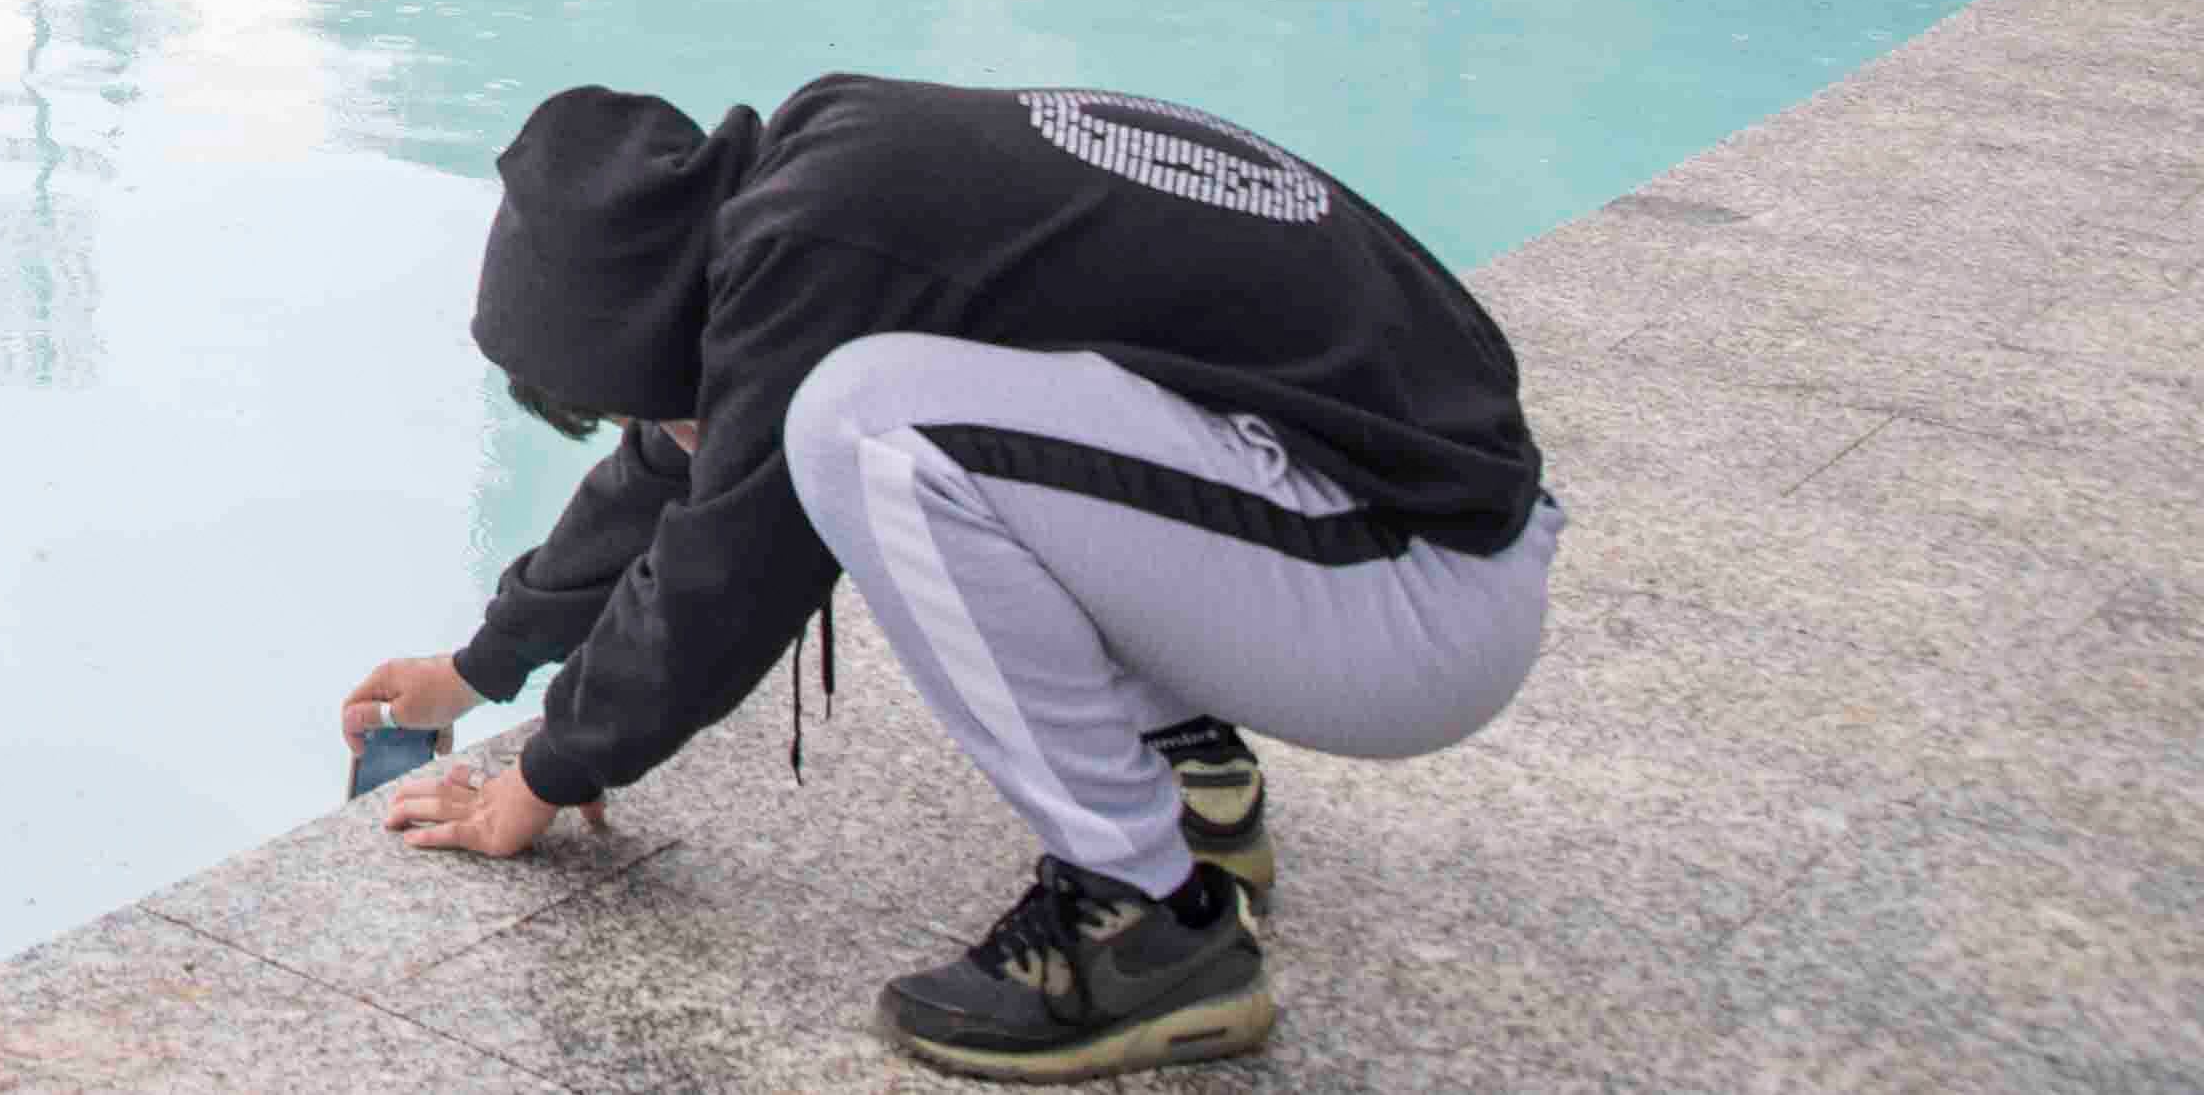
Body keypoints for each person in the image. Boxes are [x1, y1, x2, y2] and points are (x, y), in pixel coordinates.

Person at [338, 78, 1559, 1081]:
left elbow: (728, 561)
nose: (649, 426)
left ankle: (1140, 921)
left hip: (1410, 600)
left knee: (865, 432)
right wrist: (479, 666)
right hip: (1371, 529)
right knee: (894, 425)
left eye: (622, 395)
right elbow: (675, 469)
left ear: (642, 326)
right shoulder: (827, 181)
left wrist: (547, 775)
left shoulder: (813, 253)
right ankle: (1195, 778)